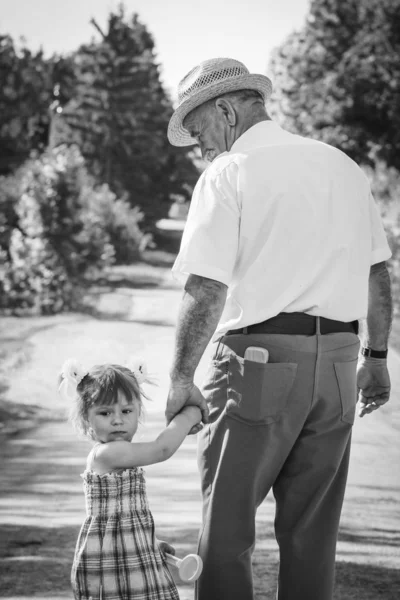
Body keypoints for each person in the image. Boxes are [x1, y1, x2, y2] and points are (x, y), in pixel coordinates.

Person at [165, 57, 393, 600]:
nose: (203, 149)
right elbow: (377, 271)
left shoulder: (230, 172)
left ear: (225, 109)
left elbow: (207, 288)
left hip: (257, 366)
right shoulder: (342, 165)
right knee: (313, 533)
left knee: (226, 531)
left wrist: (179, 377)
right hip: (339, 362)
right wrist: (377, 359)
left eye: (200, 134)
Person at [58, 357, 201, 600]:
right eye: (105, 412)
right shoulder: (108, 453)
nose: (117, 419)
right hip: (116, 563)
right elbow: (161, 449)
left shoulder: (119, 453)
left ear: (138, 413)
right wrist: (188, 415)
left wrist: (148, 541)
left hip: (128, 552)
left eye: (126, 411)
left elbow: (120, 518)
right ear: (86, 419)